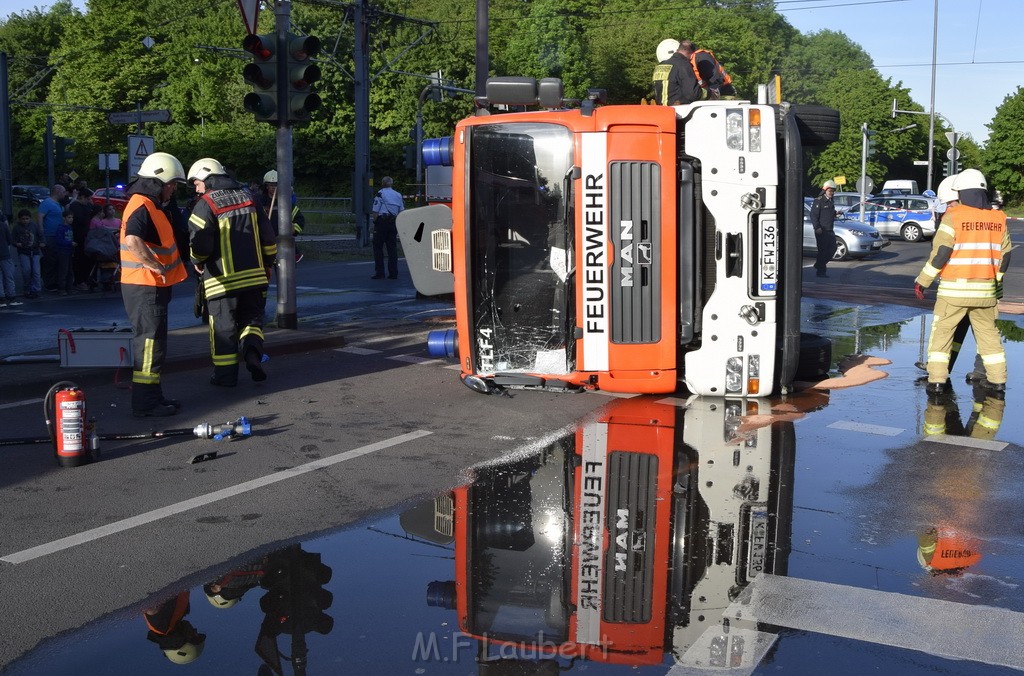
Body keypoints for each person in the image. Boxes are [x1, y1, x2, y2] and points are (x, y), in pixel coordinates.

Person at [914, 168, 1010, 395]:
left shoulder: (954, 216)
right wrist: (996, 285)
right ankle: (997, 381)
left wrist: (922, 281)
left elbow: (941, 254)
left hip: (954, 292)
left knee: (942, 336)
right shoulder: (999, 218)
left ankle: (936, 381)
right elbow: (1004, 256)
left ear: (962, 192)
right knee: (989, 338)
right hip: (986, 293)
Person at [187, 157, 277, 387]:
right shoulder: (250, 198)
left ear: (207, 179)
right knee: (252, 321)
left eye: (196, 183)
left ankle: (226, 377)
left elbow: (200, 243)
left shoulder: (206, 203)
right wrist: (268, 263)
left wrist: (196, 260)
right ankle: (252, 355)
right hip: (255, 277)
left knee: (223, 328)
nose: (196, 189)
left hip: (222, 282)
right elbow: (268, 237)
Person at [120, 151, 189, 417]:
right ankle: (146, 403)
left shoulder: (150, 204)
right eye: (172, 184)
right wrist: (154, 265)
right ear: (159, 181)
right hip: (146, 285)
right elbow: (132, 240)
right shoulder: (142, 204)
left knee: (154, 344)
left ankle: (154, 397)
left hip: (150, 286)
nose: (173, 190)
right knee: (150, 345)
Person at [913, 175, 985, 383]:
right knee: (962, 330)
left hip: (965, 286)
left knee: (979, 333)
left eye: (951, 203)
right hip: (980, 286)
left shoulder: (960, 219)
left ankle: (979, 372)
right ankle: (943, 367)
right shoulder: (984, 218)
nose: (948, 207)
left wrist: (923, 280)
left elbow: (942, 253)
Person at [260, 169, 305, 263]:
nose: (273, 188)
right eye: (271, 185)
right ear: (266, 186)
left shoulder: (286, 203)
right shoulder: (260, 202)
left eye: (276, 185)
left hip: (283, 247)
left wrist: (293, 229)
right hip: (265, 245)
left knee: (286, 275)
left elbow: (300, 220)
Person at [651, 39, 711, 106]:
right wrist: (709, 92)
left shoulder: (659, 66)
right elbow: (692, 94)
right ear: (692, 54)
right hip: (678, 112)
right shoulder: (684, 65)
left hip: (661, 111)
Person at [370, 175, 404, 279]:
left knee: (378, 247)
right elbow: (401, 210)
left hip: (382, 222)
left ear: (382, 183)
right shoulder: (398, 195)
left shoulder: (380, 194)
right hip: (393, 222)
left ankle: (380, 273)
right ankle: (393, 273)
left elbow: (375, 211)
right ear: (391, 183)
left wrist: (375, 222)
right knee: (392, 249)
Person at [37, 183, 67, 291]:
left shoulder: (58, 204)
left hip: (58, 236)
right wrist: (42, 236)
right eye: (63, 192)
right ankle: (48, 283)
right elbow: (40, 219)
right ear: (58, 192)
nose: (65, 194)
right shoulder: (46, 203)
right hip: (49, 235)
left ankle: (55, 282)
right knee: (49, 260)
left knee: (56, 260)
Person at [68, 187, 98, 290]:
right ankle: (79, 281)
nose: (90, 201)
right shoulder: (75, 206)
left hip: (86, 236)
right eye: (88, 199)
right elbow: (80, 220)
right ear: (83, 197)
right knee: (78, 260)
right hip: (78, 236)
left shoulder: (88, 205)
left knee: (87, 259)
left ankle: (87, 279)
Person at [11, 209, 43, 299]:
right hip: (23, 252)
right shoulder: (17, 227)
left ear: (30, 218)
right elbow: (12, 239)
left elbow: (40, 234)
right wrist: (17, 244)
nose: (25, 221)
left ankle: (37, 289)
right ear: (19, 219)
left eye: (27, 219)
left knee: (36, 271)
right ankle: (27, 289)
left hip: (35, 251)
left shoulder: (34, 225)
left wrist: (42, 242)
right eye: (23, 219)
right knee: (27, 271)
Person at [810, 179, 839, 277]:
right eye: (830, 191)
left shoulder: (831, 201)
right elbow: (813, 215)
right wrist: (817, 227)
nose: (832, 193)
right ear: (825, 190)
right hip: (822, 230)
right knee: (823, 251)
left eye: (833, 191)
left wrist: (836, 214)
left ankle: (818, 264)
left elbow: (829, 213)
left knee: (833, 249)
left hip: (830, 229)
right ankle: (821, 271)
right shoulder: (819, 201)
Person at [0, 211, 20, 307]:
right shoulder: (3, 226)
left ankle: (1, 297)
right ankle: (11, 296)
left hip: (4, 254)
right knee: (9, 276)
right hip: (4, 253)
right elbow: (9, 240)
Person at [54, 208, 76, 295]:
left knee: (70, 270)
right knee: (63, 270)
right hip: (63, 251)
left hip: (70, 251)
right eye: (69, 217)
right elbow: (59, 240)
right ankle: (61, 288)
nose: (71, 219)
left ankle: (69, 287)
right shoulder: (61, 228)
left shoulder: (70, 227)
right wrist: (70, 243)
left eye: (72, 217)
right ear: (64, 218)